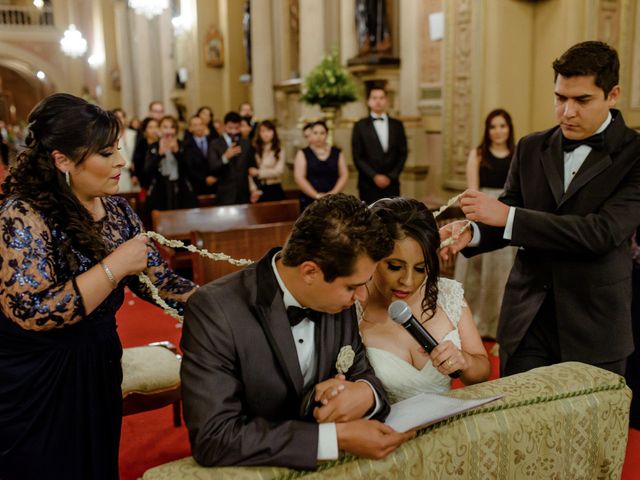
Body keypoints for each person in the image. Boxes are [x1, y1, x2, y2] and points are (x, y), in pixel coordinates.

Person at [0, 93, 197, 480]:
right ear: (63, 160)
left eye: (118, 150)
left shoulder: (119, 211)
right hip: (36, 376)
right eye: (106, 153)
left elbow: (161, 282)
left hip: (98, 362)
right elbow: (34, 312)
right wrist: (114, 266)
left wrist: (234, 297)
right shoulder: (21, 216)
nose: (121, 162)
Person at [440, 41, 640, 377]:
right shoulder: (531, 146)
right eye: (560, 98)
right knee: (519, 424)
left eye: (582, 100)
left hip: (594, 324)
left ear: (613, 94)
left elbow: (601, 233)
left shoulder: (634, 154)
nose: (567, 111)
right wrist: (470, 233)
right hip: (526, 318)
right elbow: (510, 209)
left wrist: (508, 217)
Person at [181, 193, 414, 469]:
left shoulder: (338, 301)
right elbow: (214, 437)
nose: (362, 297)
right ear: (310, 272)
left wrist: (365, 393)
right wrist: (333, 438)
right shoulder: (215, 311)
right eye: (352, 287)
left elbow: (362, 373)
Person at [360, 198, 490, 403]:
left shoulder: (447, 295)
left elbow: (482, 374)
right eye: (394, 266)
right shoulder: (351, 306)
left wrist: (465, 361)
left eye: (421, 268)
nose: (408, 282)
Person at [454, 109, 517, 339]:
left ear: (509, 128)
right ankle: (474, 324)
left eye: (502, 126)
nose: (498, 131)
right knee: (477, 274)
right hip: (482, 213)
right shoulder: (478, 154)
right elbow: (473, 191)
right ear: (487, 130)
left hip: (507, 213)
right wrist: (476, 221)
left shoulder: (517, 153)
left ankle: (499, 324)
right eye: (493, 126)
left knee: (503, 274)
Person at [351, 86, 408, 204]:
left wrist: (391, 176)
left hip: (392, 183)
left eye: (381, 98)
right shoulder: (360, 126)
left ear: (386, 101)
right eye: (374, 98)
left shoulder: (397, 125)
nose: (378, 101)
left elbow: (402, 153)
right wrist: (374, 176)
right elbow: (358, 156)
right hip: (368, 183)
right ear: (368, 101)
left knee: (392, 217)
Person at [144, 115, 198, 212]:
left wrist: (177, 153)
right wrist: (159, 155)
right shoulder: (153, 147)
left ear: (176, 130)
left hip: (181, 192)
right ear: (160, 129)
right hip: (159, 192)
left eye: (172, 127)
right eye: (165, 127)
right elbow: (147, 171)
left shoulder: (184, 145)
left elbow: (189, 171)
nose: (168, 131)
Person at [294, 121, 348, 211]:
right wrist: (316, 195)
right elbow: (299, 177)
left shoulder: (336, 152)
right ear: (310, 135)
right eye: (315, 133)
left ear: (327, 134)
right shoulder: (303, 153)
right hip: (310, 199)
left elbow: (344, 174)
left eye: (322, 133)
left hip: (334, 199)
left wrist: (333, 194)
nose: (319, 136)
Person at [208, 111, 257, 205]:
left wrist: (255, 188)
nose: (233, 131)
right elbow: (213, 168)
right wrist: (225, 157)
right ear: (225, 126)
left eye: (236, 128)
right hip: (225, 195)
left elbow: (252, 166)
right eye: (230, 128)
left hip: (244, 194)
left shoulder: (246, 143)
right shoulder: (215, 144)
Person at [249, 120, 286, 202]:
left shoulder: (279, 149)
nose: (266, 134)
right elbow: (249, 171)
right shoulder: (253, 148)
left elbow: (279, 171)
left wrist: (259, 172)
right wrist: (253, 189)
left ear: (274, 132)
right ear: (259, 133)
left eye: (269, 130)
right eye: (263, 131)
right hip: (257, 188)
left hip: (274, 187)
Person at [182, 115, 217, 196]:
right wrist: (204, 179)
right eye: (195, 125)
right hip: (197, 186)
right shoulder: (186, 146)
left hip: (215, 184)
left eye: (201, 124)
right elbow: (188, 167)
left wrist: (215, 177)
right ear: (190, 128)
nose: (199, 127)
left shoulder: (214, 141)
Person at [112, 108, 139, 193]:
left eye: (122, 117)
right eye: (117, 117)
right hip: (121, 172)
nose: (120, 119)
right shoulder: (112, 135)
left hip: (135, 173)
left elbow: (137, 152)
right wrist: (128, 165)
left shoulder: (133, 134)